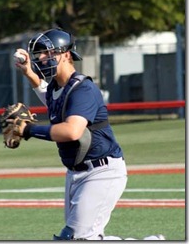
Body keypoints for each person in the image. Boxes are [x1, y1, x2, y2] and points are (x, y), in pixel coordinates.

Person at [13, 28, 165, 240]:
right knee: (85, 238)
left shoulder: (83, 89)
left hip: (102, 171)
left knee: (76, 238)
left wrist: (28, 130)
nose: (42, 58)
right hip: (76, 172)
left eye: (48, 53)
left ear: (66, 54)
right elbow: (49, 96)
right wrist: (29, 72)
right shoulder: (58, 87)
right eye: (40, 54)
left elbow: (72, 131)